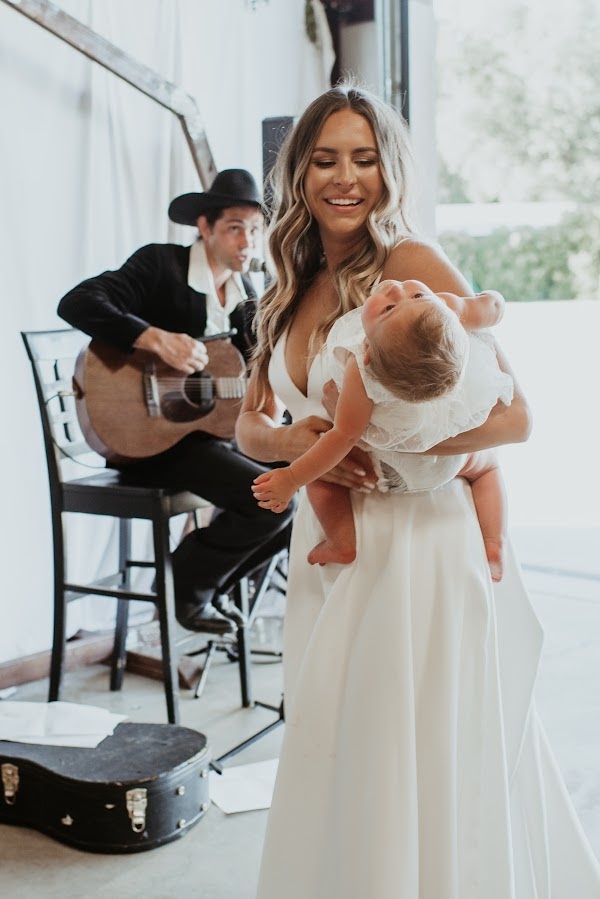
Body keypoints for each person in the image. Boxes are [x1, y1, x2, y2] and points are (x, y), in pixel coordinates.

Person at [235, 84, 600, 898]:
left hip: (419, 549)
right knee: (339, 747)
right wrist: (297, 445)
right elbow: (250, 425)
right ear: (297, 172)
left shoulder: (414, 268)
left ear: (388, 170)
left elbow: (515, 418)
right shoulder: (282, 288)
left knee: (414, 753)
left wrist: (371, 441)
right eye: (325, 159)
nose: (345, 178)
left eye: (364, 159)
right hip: (330, 550)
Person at [58, 169, 293, 636]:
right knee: (273, 504)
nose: (246, 242)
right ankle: (189, 581)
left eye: (254, 229)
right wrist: (153, 338)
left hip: (207, 440)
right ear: (203, 228)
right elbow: (76, 301)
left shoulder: (249, 297)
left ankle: (205, 584)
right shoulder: (160, 266)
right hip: (145, 440)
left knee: (299, 487)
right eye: (233, 228)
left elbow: (247, 381)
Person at [252, 278, 512, 581]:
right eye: (406, 298)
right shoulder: (450, 307)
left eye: (392, 306)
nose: (397, 290)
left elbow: (343, 436)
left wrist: (293, 477)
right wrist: (493, 298)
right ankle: (494, 544)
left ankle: (341, 542)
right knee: (487, 468)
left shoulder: (360, 366)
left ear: (368, 353)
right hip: (449, 462)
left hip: (390, 468)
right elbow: (492, 307)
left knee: (323, 480)